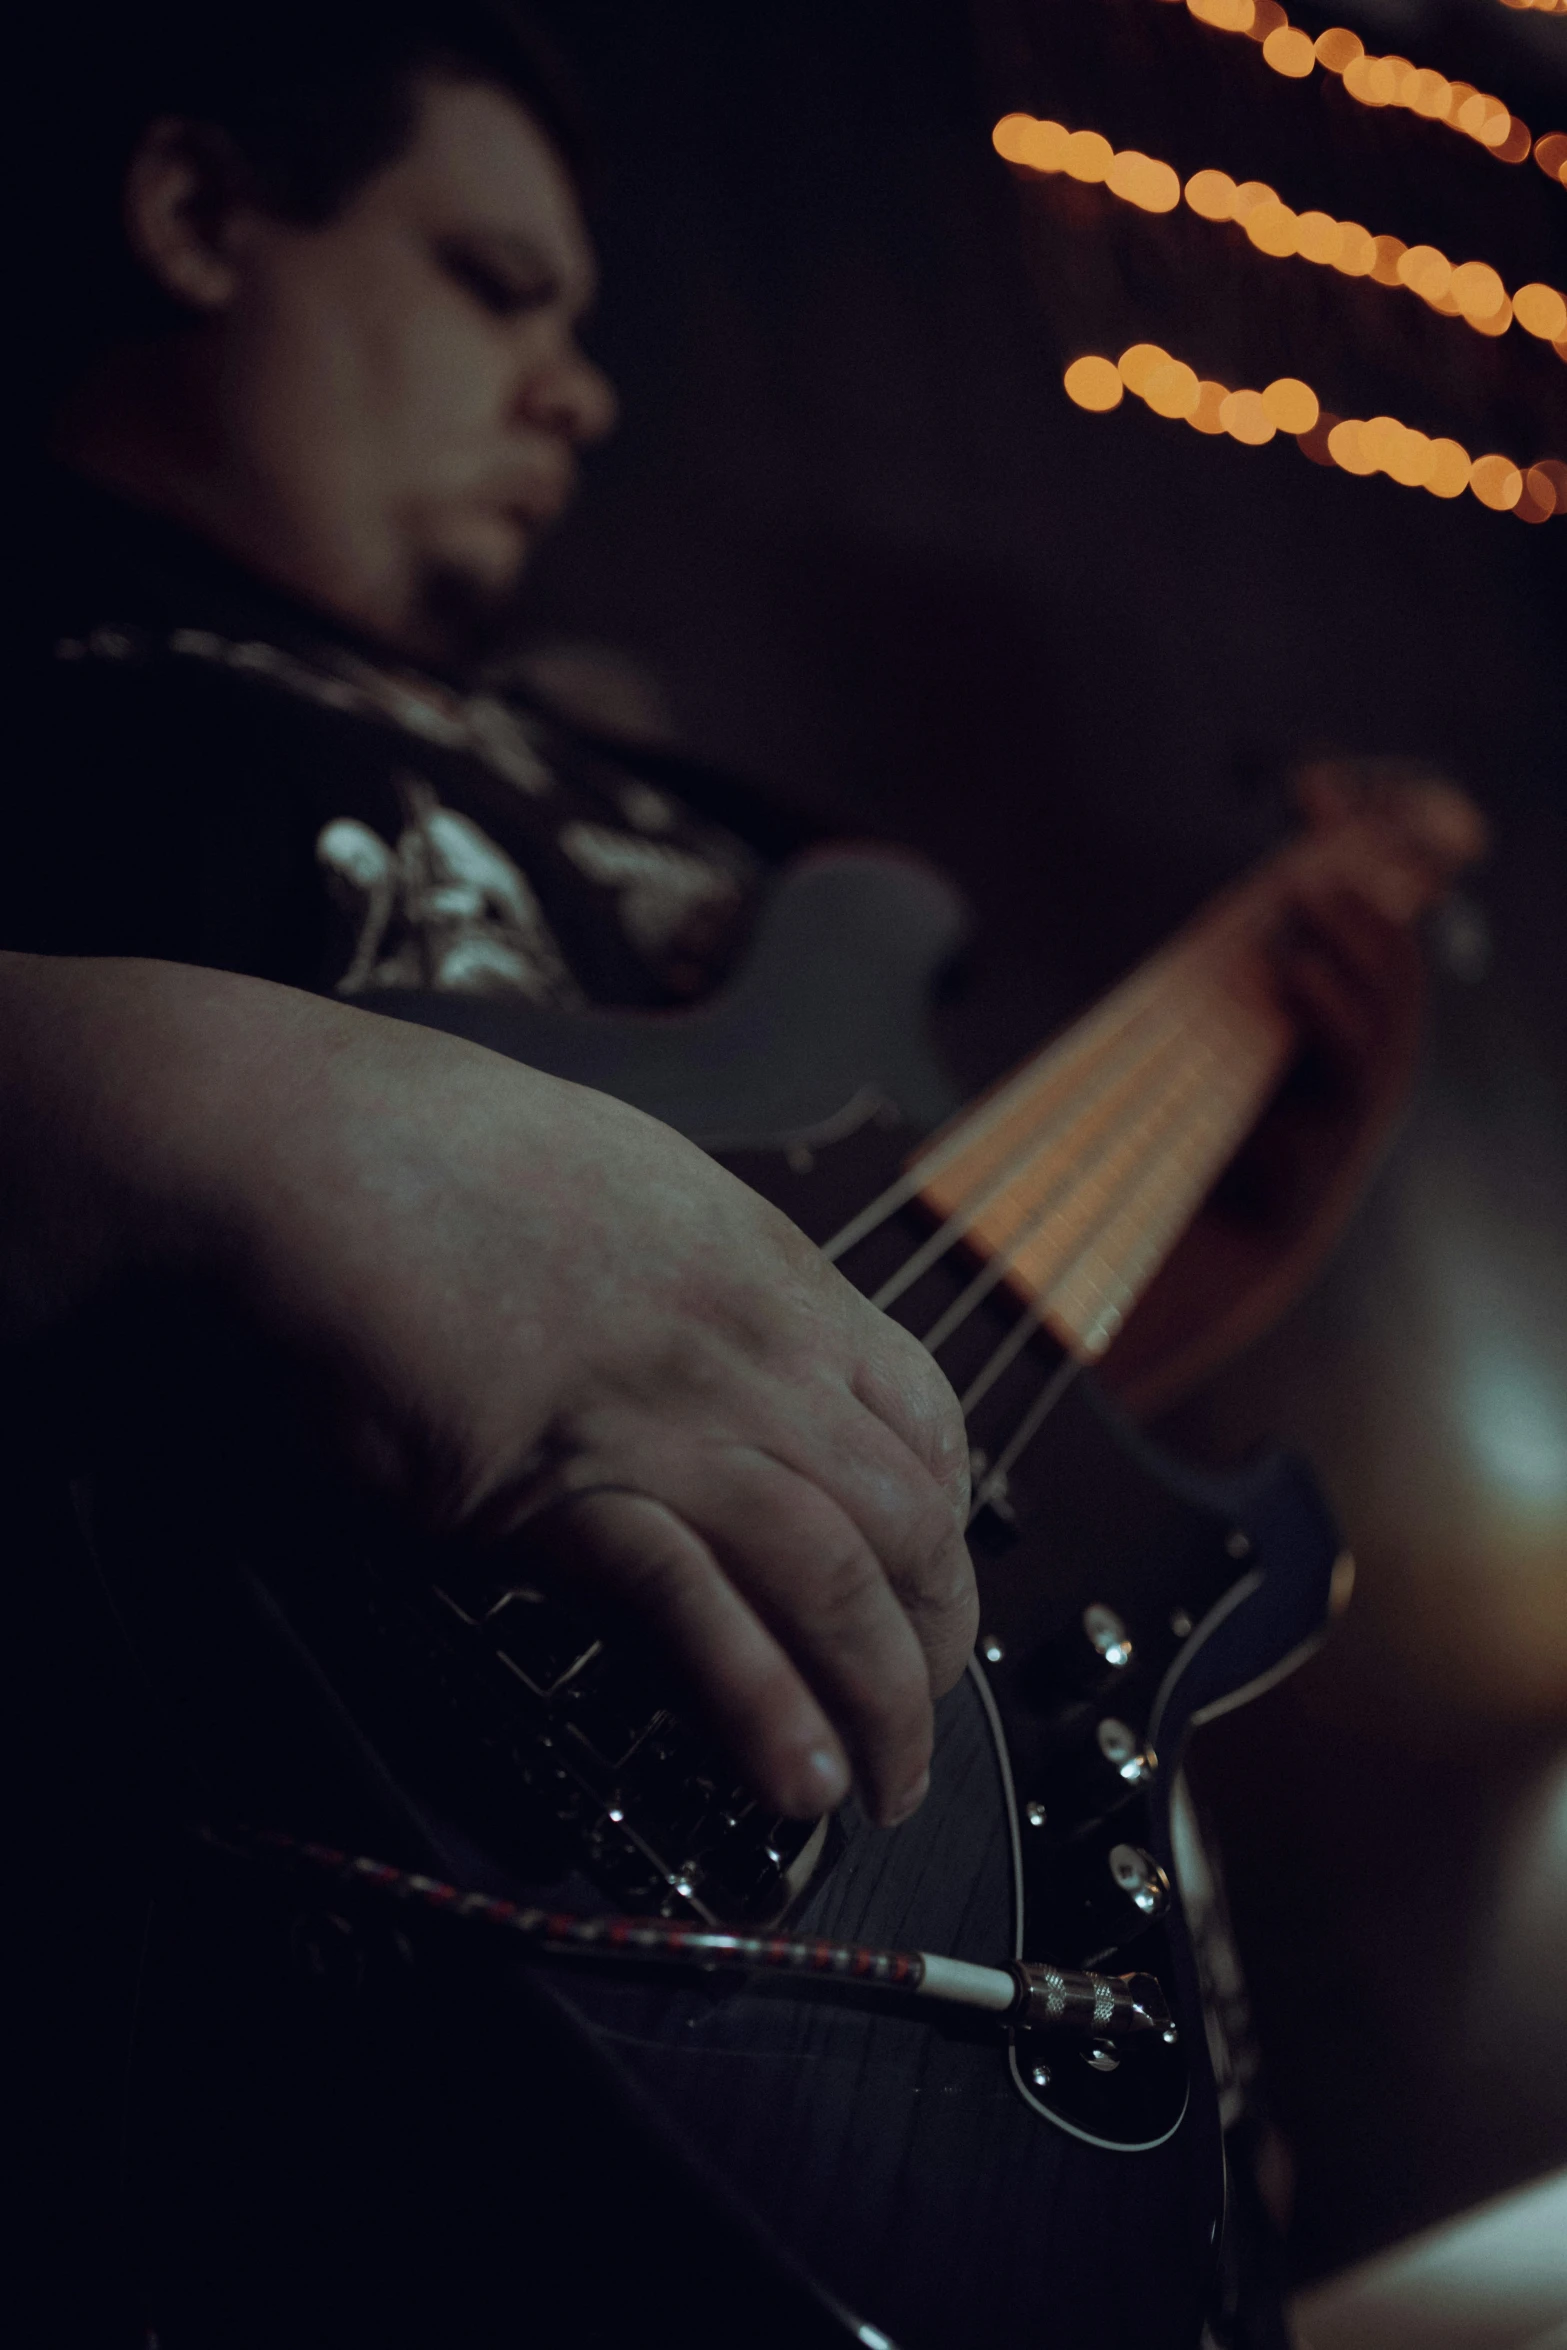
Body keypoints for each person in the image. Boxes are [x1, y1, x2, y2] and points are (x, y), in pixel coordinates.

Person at [6, 2, 1423, 2337]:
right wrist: (217, 1104)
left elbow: (940, 1393)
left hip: (1043, 2089)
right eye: (495, 283)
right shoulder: (66, 654)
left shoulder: (739, 832)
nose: (583, 391)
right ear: (195, 214)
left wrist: (1274, 1167)